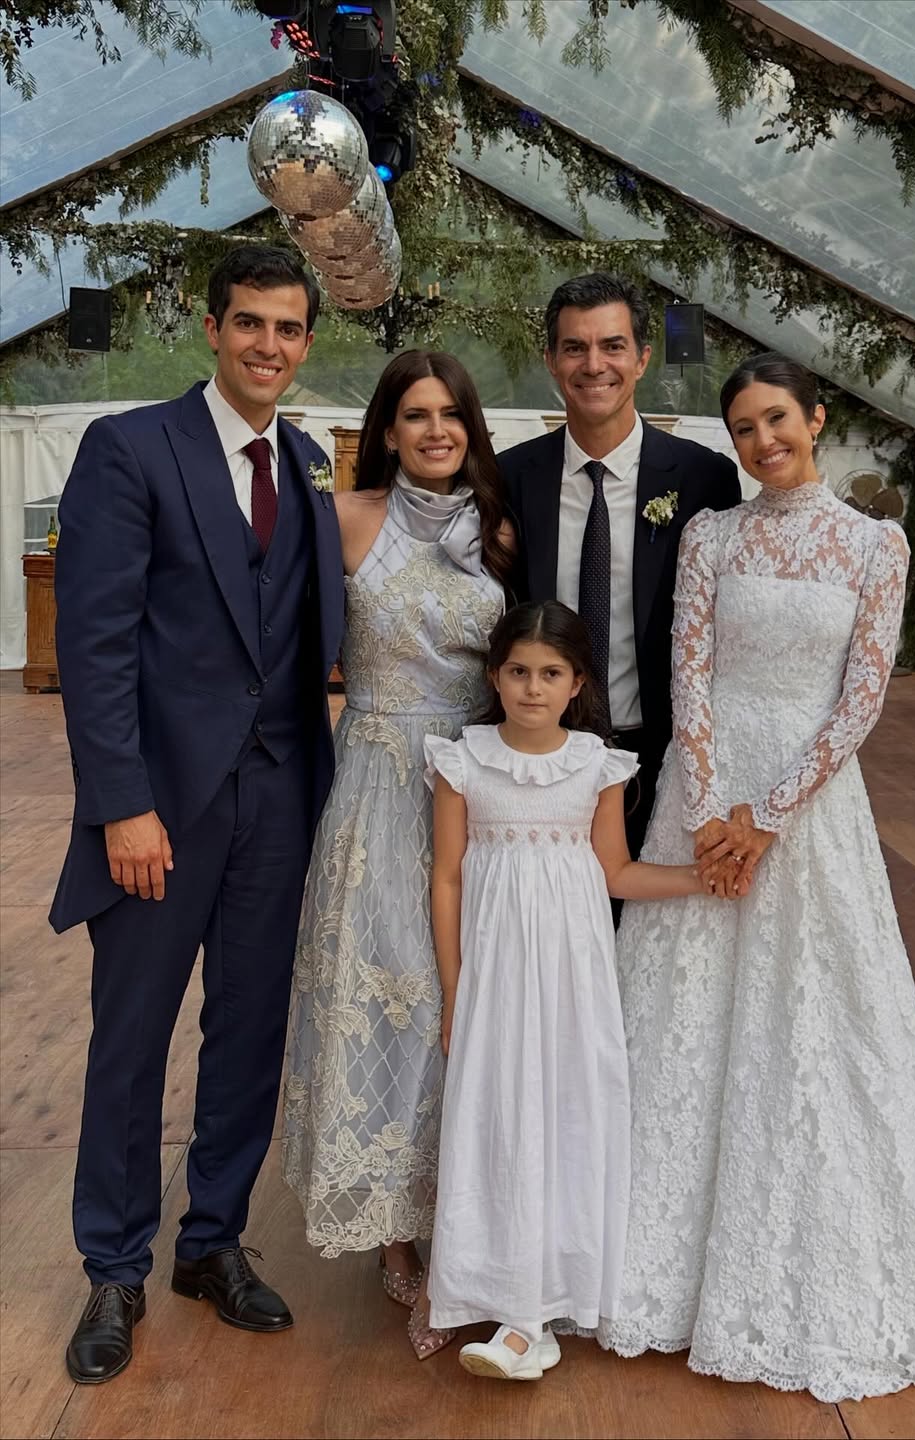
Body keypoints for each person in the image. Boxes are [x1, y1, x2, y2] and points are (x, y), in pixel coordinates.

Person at [592, 352, 915, 1397]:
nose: (763, 442)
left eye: (776, 420)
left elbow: (860, 700)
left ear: (817, 417)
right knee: (679, 1016)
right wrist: (711, 811)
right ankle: (644, 1261)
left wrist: (768, 819)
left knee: (819, 1023)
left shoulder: (874, 544)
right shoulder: (712, 535)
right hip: (703, 797)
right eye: (743, 429)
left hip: (808, 807)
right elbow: (690, 671)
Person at [50, 246, 344, 1384]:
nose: (269, 345)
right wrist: (122, 805)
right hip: (159, 811)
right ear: (211, 329)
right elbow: (95, 643)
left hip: (282, 798)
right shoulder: (130, 448)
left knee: (249, 1033)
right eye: (250, 324)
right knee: (132, 1042)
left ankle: (210, 1242)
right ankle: (114, 1267)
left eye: (288, 328)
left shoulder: (313, 465)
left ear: (306, 340)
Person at [282, 350, 512, 1359]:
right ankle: (397, 1231)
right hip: (376, 780)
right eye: (414, 415)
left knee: (476, 1003)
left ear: (470, 425)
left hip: (477, 785)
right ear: (385, 428)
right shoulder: (344, 519)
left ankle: (473, 1215)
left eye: (450, 414)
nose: (434, 431)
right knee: (395, 993)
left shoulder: (502, 530)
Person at [423, 601, 707, 1380]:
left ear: (579, 682)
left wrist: (698, 880)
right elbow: (446, 879)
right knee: (499, 1117)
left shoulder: (595, 765)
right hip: (495, 979)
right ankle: (507, 1304)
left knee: (567, 1114)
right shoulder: (464, 761)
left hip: (574, 981)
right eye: (518, 671)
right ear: (494, 676)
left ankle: (546, 1307)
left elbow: (615, 872)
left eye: (550, 674)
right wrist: (455, 990)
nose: (532, 688)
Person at [498, 273, 740, 859]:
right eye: (574, 347)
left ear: (642, 358)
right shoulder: (507, 478)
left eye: (612, 346)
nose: (593, 364)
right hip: (539, 761)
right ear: (552, 360)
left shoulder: (705, 479)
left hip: (660, 761)